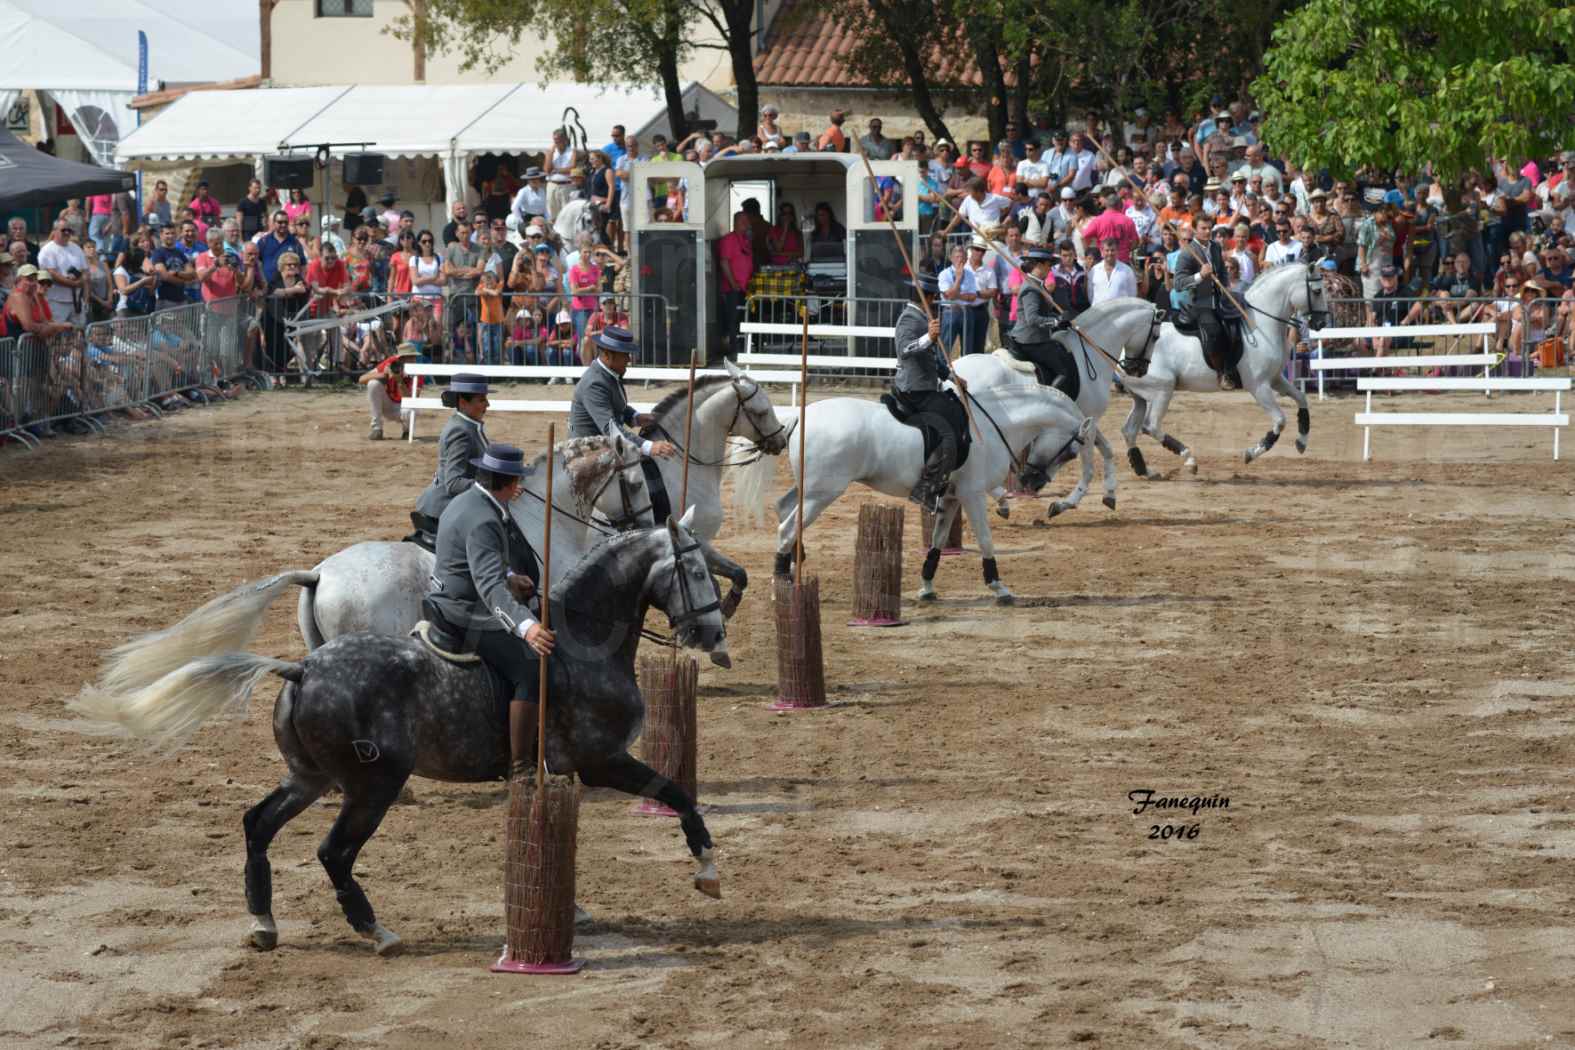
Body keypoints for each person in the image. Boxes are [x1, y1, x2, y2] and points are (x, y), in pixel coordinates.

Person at [424, 442, 553, 781]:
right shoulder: (485, 517)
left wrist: (511, 575)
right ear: (509, 484)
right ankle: (522, 766)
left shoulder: (467, 501)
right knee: (531, 668)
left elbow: (476, 558)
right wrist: (527, 627)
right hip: (463, 610)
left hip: (443, 595)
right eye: (517, 481)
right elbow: (489, 588)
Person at [568, 325, 678, 517]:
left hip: (605, 445)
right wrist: (649, 446)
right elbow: (612, 430)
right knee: (640, 475)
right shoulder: (595, 383)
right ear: (608, 355)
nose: (629, 359)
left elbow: (616, 406)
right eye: (625, 354)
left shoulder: (608, 374)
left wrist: (634, 417)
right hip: (589, 454)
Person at [891, 272, 969, 512]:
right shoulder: (909, 319)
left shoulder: (923, 317)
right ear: (929, 296)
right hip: (914, 389)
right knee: (948, 431)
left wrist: (951, 376)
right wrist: (928, 337)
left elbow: (931, 360)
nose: (935, 301)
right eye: (934, 297)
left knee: (954, 410)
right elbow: (904, 350)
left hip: (925, 385)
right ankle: (925, 489)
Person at [410, 371, 493, 543]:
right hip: (444, 510)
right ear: (463, 402)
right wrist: (493, 486)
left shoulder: (467, 424)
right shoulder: (461, 431)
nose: (488, 404)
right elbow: (454, 483)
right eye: (482, 399)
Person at [1172, 214, 1243, 388]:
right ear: (1195, 229)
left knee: (1240, 324)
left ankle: (1240, 368)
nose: (1207, 231)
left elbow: (1223, 273)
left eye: (1209, 228)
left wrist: (1226, 287)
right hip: (1200, 302)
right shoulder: (1187, 252)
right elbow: (1178, 284)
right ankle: (1222, 373)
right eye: (1203, 228)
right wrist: (1199, 275)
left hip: (1221, 299)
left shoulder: (1216, 247)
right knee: (1215, 331)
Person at [1009, 248, 1077, 392]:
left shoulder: (1038, 285)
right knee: (1063, 371)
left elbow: (1043, 313)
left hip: (1036, 338)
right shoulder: (1031, 288)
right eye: (1049, 265)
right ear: (1039, 265)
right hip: (1030, 340)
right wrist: (1056, 321)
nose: (1050, 269)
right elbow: (1032, 319)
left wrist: (1061, 319)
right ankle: (1050, 402)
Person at [359, 342, 417, 440]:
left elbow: (411, 399)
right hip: (387, 405)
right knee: (373, 384)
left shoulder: (416, 370)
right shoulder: (391, 363)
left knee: (413, 408)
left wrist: (399, 381)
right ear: (400, 359)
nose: (411, 360)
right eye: (407, 357)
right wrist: (383, 375)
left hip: (403, 408)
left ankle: (407, 431)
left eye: (412, 357)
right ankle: (377, 429)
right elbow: (361, 379)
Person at [716, 212, 754, 359]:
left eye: (747, 221)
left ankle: (743, 348)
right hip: (733, 288)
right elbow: (724, 262)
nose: (747, 224)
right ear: (736, 222)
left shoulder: (746, 240)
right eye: (743, 221)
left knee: (742, 318)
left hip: (745, 287)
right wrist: (733, 283)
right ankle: (734, 350)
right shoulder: (728, 239)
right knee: (733, 319)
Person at [37, 220, 86, 326]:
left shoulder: (76, 248)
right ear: (54, 231)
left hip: (76, 301)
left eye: (69, 230)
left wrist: (82, 280)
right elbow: (51, 274)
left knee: (79, 334)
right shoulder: (47, 250)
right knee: (56, 336)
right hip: (56, 301)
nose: (67, 233)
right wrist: (74, 284)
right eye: (64, 230)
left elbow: (84, 270)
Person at [1088, 237, 1138, 304]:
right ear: (1102, 252)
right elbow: (1091, 294)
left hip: (1120, 312)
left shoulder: (1127, 271)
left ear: (1117, 251)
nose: (1110, 253)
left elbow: (1132, 294)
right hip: (1100, 312)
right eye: (1107, 250)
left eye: (1112, 250)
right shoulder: (1094, 270)